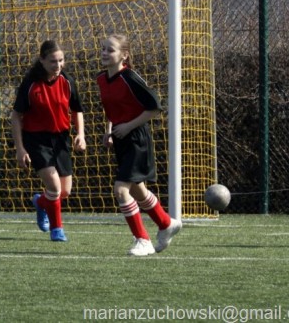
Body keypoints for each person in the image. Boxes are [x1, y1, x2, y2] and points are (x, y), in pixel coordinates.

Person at [96, 33, 181, 256]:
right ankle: (166, 223)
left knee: (121, 190)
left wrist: (128, 126)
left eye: (110, 50)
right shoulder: (102, 79)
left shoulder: (130, 77)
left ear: (124, 55)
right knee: (137, 189)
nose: (105, 53)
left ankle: (143, 240)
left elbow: (154, 107)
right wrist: (109, 131)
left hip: (137, 139)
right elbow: (111, 109)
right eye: (103, 48)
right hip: (121, 137)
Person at [10, 40, 86, 242]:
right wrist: (20, 148)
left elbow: (77, 110)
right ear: (42, 60)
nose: (58, 65)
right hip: (36, 140)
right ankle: (57, 229)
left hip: (61, 139)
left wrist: (80, 134)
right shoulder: (31, 83)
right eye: (53, 61)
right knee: (54, 187)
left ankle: (41, 202)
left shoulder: (67, 81)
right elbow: (16, 116)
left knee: (65, 191)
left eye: (61, 60)